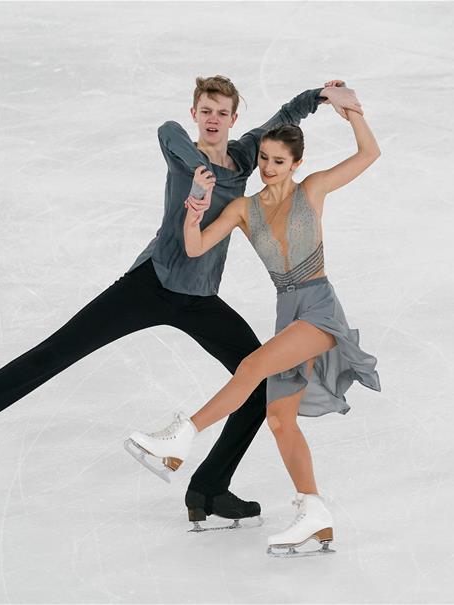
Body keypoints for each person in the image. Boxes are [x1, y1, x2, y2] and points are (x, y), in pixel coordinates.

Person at [0, 75, 362, 528]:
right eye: (206, 111)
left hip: (201, 299)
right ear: (195, 114)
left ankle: (209, 488)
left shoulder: (245, 158)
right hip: (149, 284)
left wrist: (322, 95)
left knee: (260, 384)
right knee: (54, 353)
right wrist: (203, 175)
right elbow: (169, 134)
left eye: (223, 113)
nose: (214, 120)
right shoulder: (183, 151)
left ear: (234, 117)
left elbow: (284, 119)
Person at [125, 95, 381, 555]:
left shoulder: (313, 190)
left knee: (250, 368)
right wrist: (196, 209)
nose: (267, 167)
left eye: (278, 161)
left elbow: (369, 155)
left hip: (319, 309)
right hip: (288, 312)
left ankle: (180, 438)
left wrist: (352, 114)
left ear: (296, 163)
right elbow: (197, 245)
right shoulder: (245, 209)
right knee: (280, 420)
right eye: (263, 158)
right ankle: (315, 513)